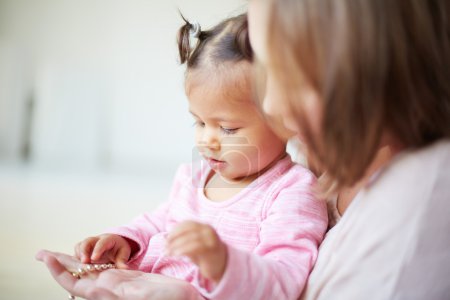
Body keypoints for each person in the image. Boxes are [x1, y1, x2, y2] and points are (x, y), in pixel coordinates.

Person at [37, 13, 328, 300]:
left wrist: (223, 264)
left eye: (227, 128)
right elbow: (160, 221)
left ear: (285, 117)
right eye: (199, 123)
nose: (206, 140)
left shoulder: (292, 192)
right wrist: (124, 240)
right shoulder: (197, 175)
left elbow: (283, 279)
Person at [247, 0, 450, 299]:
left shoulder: (427, 190)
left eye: (293, 73)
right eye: (267, 66)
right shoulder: (307, 158)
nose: (271, 104)